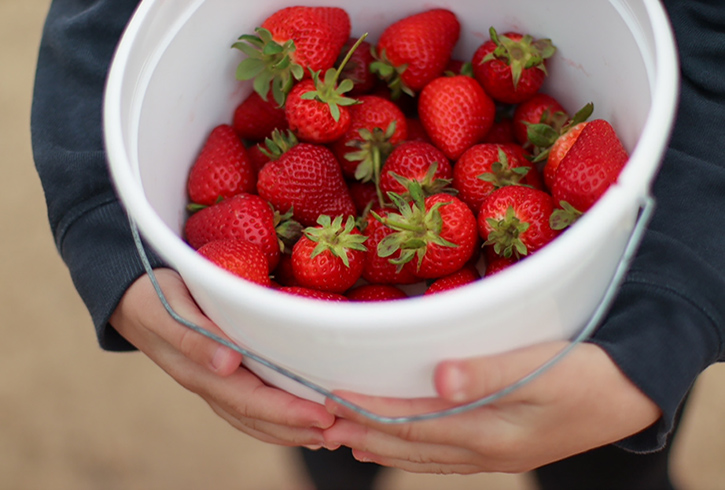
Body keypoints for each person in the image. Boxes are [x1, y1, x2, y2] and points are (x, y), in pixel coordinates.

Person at [30, 1, 725, 490]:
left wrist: (658, 335)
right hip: (306, 354)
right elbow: (109, 28)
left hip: (605, 311)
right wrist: (102, 214)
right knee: (322, 422)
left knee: (602, 462)